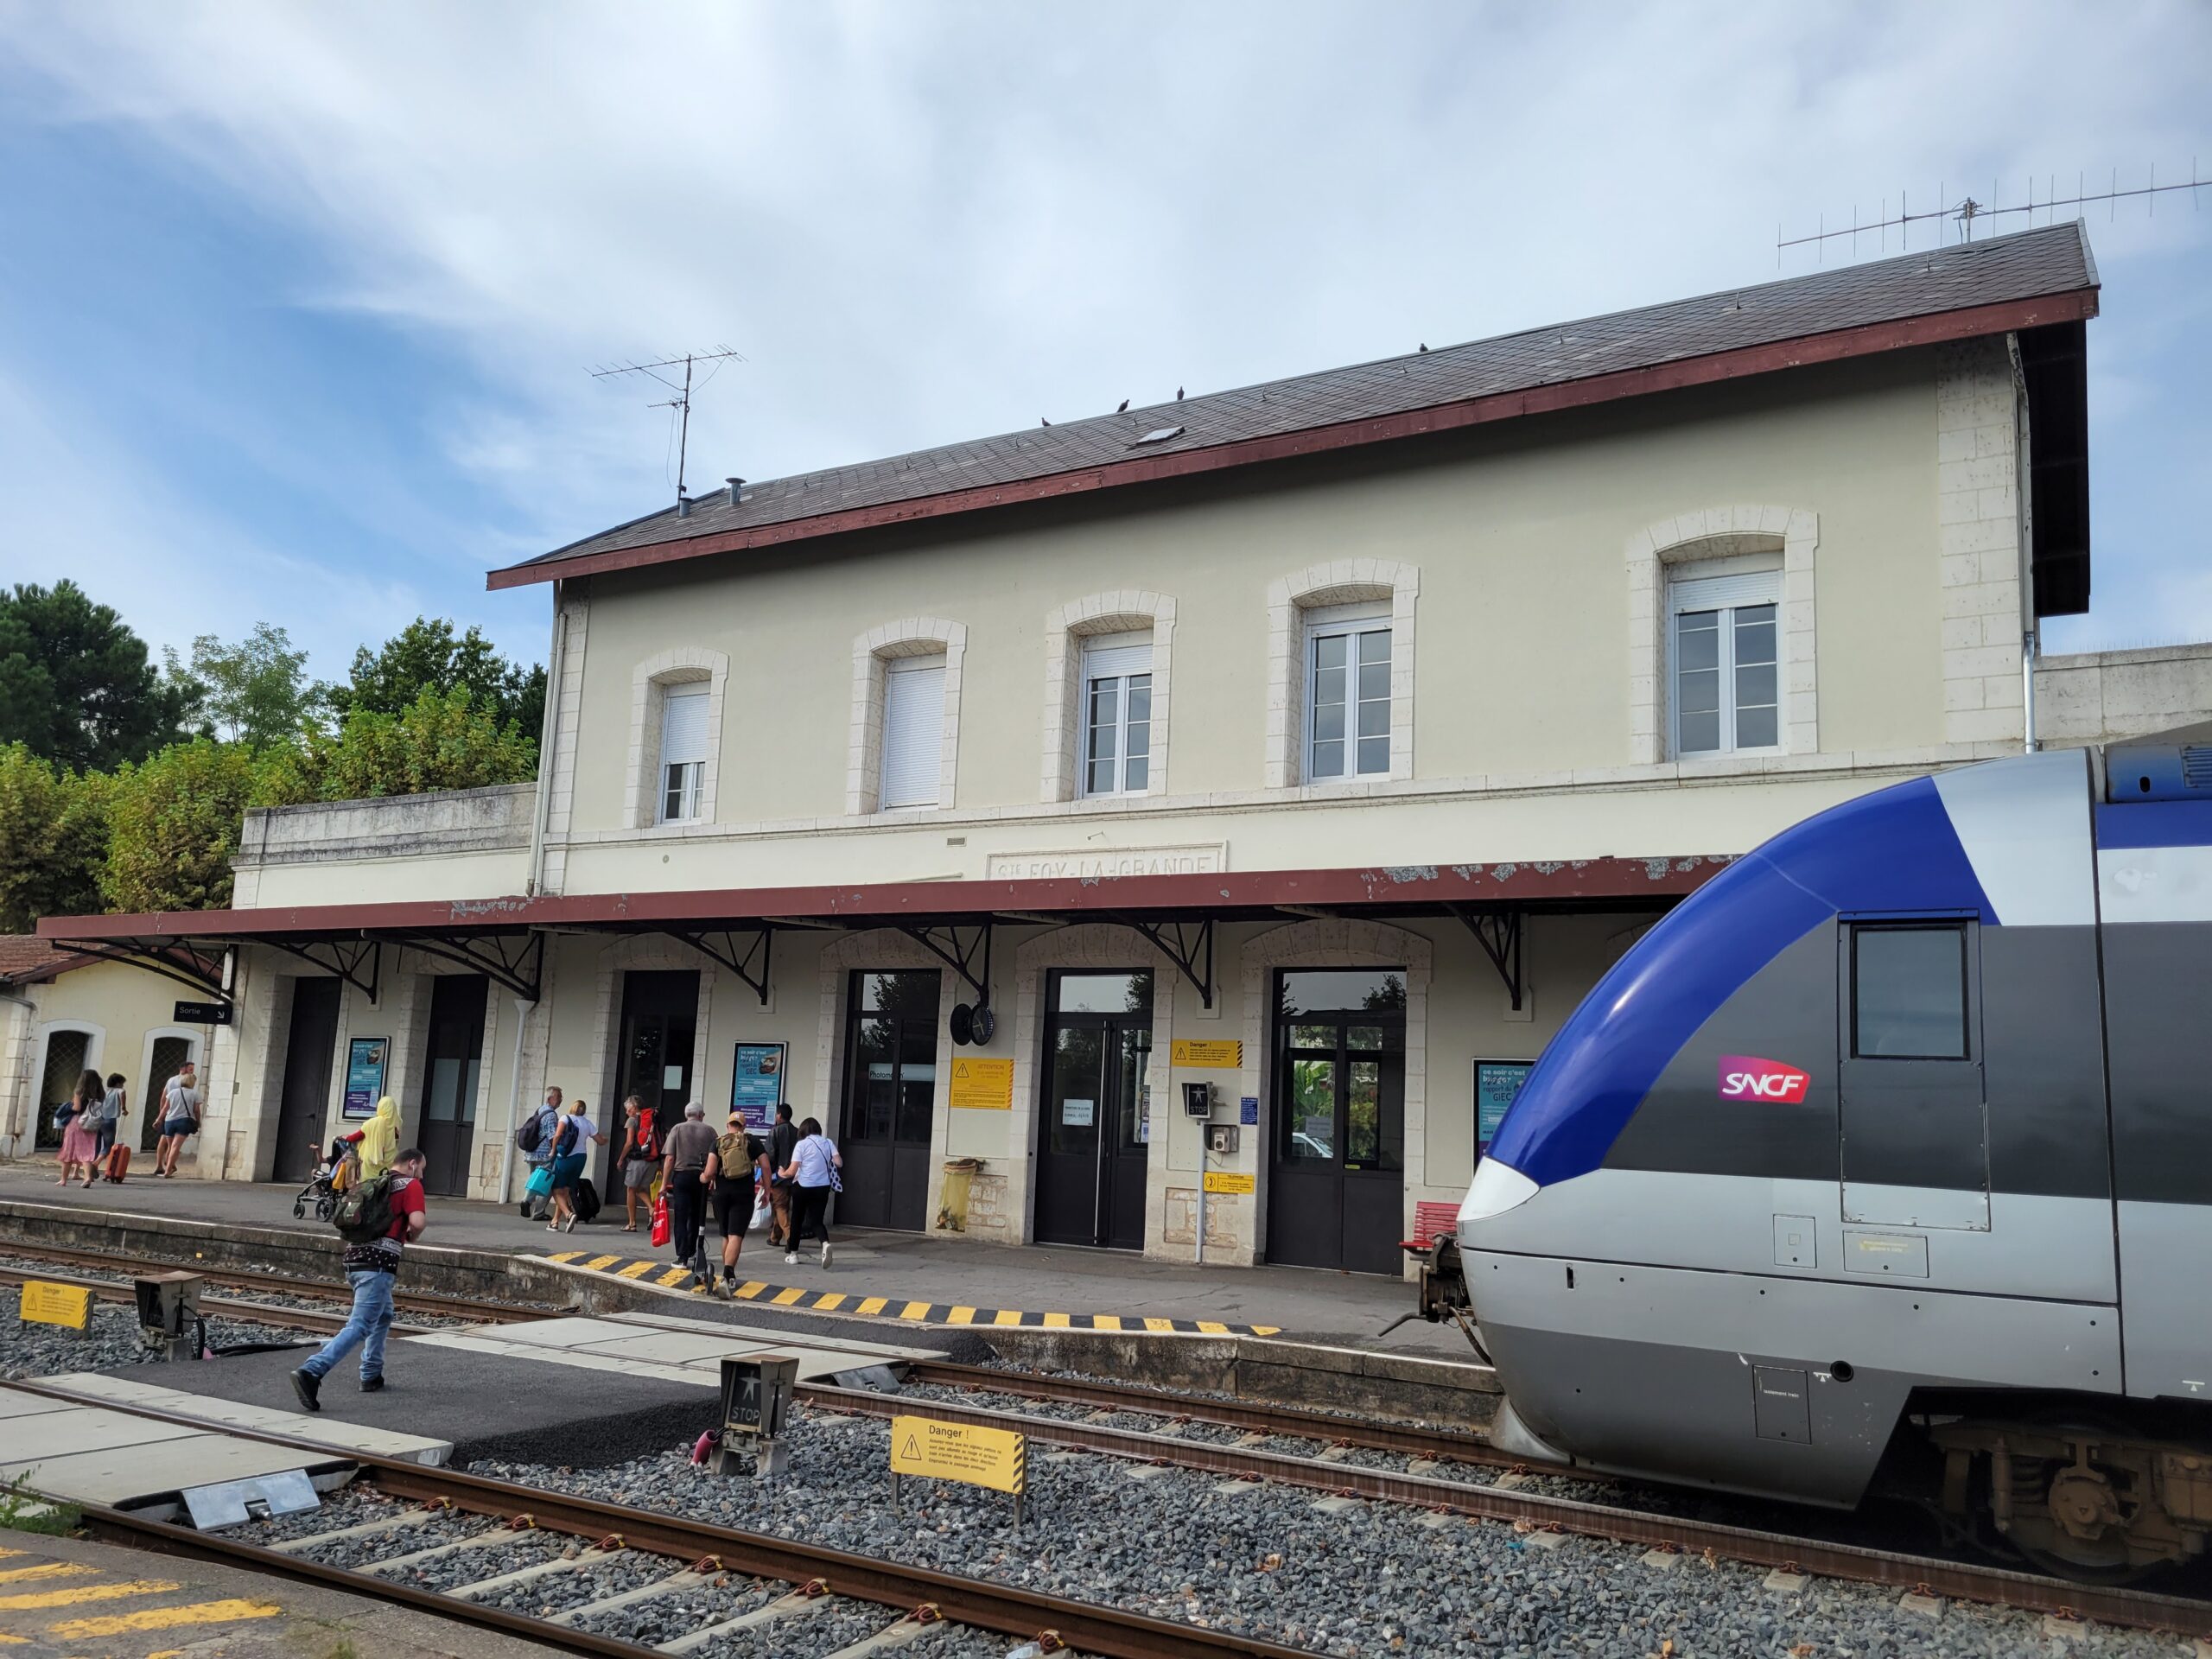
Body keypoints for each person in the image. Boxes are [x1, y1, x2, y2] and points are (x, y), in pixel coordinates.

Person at [290, 1146, 429, 1408]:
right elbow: (418, 1222)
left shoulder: (373, 1182)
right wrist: (412, 1235)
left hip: (355, 1259)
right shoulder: (410, 1185)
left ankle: (371, 1373)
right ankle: (311, 1371)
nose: (421, 1176)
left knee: (384, 1314)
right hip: (378, 1264)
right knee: (361, 1325)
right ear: (412, 1164)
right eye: (421, 1169)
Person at [706, 1110, 771, 1294]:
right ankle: (728, 1276)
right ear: (743, 1126)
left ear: (728, 1126)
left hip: (721, 1194)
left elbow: (710, 1171)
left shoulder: (718, 1142)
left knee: (726, 1235)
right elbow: (765, 1166)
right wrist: (767, 1190)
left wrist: (704, 1177)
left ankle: (726, 1276)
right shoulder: (752, 1141)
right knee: (736, 1235)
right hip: (743, 1193)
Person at [659, 1102, 719, 1289]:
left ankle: (682, 1256)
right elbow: (716, 1157)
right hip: (701, 1176)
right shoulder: (710, 1131)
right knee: (696, 1215)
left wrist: (664, 1184)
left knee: (681, 1215)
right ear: (701, 1115)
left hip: (682, 1175)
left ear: (687, 1115)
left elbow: (669, 1158)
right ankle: (694, 1250)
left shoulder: (677, 1129)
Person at [779, 1116, 841, 1269]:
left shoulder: (801, 1145)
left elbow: (792, 1171)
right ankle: (825, 1244)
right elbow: (839, 1162)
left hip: (803, 1187)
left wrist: (782, 1173)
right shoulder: (828, 1142)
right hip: (823, 1187)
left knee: (797, 1220)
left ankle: (793, 1254)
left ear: (803, 1130)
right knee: (817, 1220)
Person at [546, 1097, 602, 1233]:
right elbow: (600, 1141)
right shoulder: (587, 1123)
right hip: (581, 1158)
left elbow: (557, 1135)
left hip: (566, 1157)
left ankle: (569, 1214)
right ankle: (555, 1222)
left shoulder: (565, 1118)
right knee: (565, 1191)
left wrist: (553, 1150)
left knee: (555, 1189)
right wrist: (606, 1139)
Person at [329, 1096, 403, 1181]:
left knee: (368, 1183)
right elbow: (397, 1138)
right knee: (385, 1182)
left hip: (373, 1159)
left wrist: (347, 1137)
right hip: (391, 1158)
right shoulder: (398, 1121)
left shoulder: (374, 1122)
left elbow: (357, 1136)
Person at [518, 1085, 563, 1219]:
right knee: (546, 1183)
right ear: (550, 1099)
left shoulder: (540, 1110)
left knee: (534, 1179)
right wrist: (556, 1151)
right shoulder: (551, 1115)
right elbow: (552, 1137)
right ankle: (538, 1212)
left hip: (531, 1152)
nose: (561, 1100)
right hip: (544, 1154)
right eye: (558, 1097)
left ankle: (526, 1200)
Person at [618, 1095, 661, 1232]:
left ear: (634, 1107)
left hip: (638, 1160)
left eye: (628, 1109)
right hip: (653, 1159)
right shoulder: (652, 1119)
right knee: (640, 1188)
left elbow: (630, 1142)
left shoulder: (632, 1120)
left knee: (631, 1189)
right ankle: (651, 1209)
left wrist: (621, 1159)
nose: (626, 1112)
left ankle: (632, 1223)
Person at [56, 1069, 105, 1188]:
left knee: (68, 1151)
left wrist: (69, 1106)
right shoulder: (100, 1093)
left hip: (77, 1122)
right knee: (86, 1152)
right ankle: (88, 1177)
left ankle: (63, 1180)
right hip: (91, 1124)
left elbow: (77, 1108)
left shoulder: (79, 1091)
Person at [155, 1061, 203, 1178]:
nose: (192, 1071)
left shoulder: (171, 1084)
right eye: (190, 1069)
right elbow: (196, 1110)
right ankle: (169, 1168)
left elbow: (164, 1101)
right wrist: (198, 1121)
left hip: (169, 1119)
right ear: (185, 1070)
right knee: (175, 1147)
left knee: (165, 1142)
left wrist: (160, 1118)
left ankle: (161, 1166)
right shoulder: (194, 1093)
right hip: (183, 1120)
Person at [765, 1103, 798, 1249]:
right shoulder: (797, 1132)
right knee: (782, 1206)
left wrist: (766, 1176)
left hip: (779, 1178)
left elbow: (769, 1156)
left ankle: (790, 1236)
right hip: (795, 1177)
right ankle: (774, 1238)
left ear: (779, 1115)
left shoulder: (775, 1131)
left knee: (780, 1207)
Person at [93, 1073, 127, 1167]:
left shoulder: (102, 1090)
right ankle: (96, 1163)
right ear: (117, 1084)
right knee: (109, 1145)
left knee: (96, 1145)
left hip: (98, 1119)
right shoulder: (118, 1090)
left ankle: (92, 1163)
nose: (123, 1086)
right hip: (109, 1120)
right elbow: (122, 1092)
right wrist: (123, 1108)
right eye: (122, 1083)